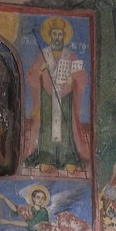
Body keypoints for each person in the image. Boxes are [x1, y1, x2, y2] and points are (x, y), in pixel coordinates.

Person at [23, 17, 90, 174]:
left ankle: (67, 158)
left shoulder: (70, 55)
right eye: (54, 34)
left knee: (65, 127)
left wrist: (73, 78)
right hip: (47, 97)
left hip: (65, 97)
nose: (57, 37)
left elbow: (81, 75)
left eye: (60, 34)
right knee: (47, 126)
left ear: (64, 36)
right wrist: (40, 70)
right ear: (50, 36)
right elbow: (31, 75)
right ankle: (46, 158)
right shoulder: (43, 54)